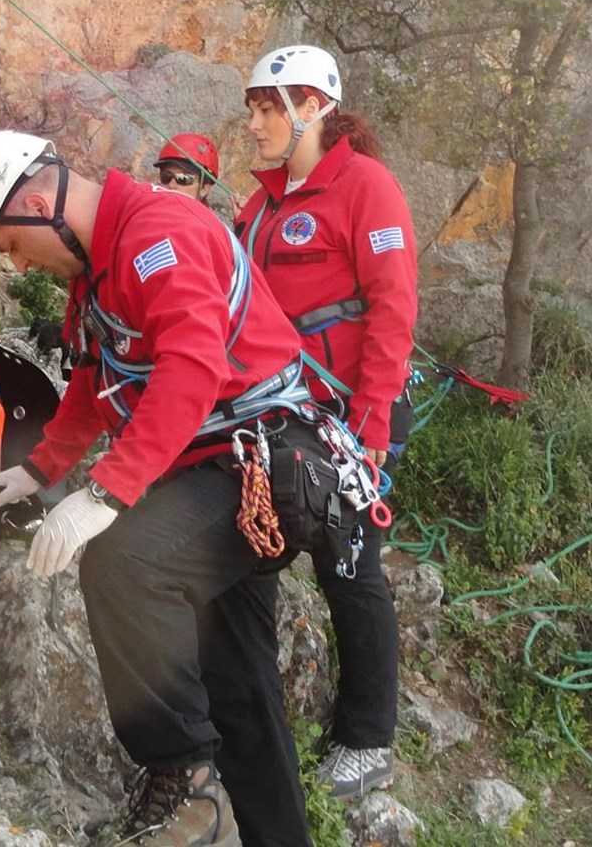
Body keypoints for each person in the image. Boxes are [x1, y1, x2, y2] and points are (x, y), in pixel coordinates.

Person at [0, 131, 316, 847]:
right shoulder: (97, 276)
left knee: (125, 562)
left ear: (37, 205)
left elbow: (191, 367)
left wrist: (105, 495)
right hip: (218, 471)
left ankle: (186, 784)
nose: (17, 263)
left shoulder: (160, 234)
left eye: (12, 245)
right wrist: (35, 472)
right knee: (240, 688)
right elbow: (96, 384)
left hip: (256, 461)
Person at [234, 45, 417, 799]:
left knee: (349, 570)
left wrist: (372, 425)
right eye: (252, 109)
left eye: (266, 108)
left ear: (312, 107)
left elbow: (393, 308)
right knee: (251, 553)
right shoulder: (262, 203)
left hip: (349, 418)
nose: (253, 125)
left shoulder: (365, 187)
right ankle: (250, 717)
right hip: (279, 419)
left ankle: (369, 740)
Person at [153, 132, 234, 222]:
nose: (171, 185)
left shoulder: (208, 231)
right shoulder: (145, 212)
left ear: (204, 189)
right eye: (166, 176)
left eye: (183, 178)